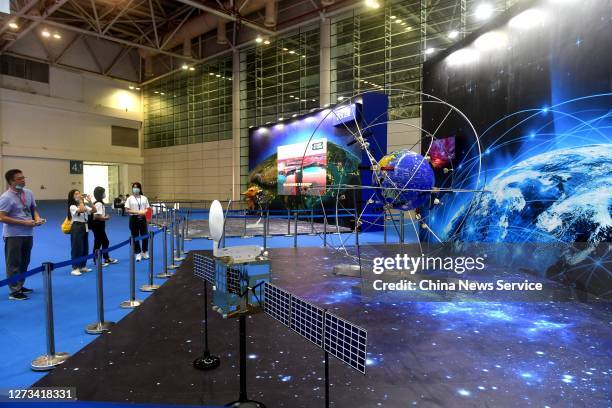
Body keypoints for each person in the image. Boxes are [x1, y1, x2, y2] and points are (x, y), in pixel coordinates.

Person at [0, 169, 45, 300]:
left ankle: (19, 284)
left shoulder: (29, 193)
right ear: (11, 182)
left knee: (25, 261)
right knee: (13, 262)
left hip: (28, 233)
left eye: (23, 177)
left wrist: (37, 218)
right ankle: (14, 291)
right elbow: (2, 217)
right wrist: (23, 223)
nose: (23, 180)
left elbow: (33, 209)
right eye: (19, 179)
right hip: (13, 235)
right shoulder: (6, 197)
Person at [68, 189, 96, 276]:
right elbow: (81, 210)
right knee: (77, 247)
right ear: (72, 196)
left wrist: (90, 201)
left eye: (79, 193)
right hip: (77, 226)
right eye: (76, 194)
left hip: (85, 226)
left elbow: (94, 210)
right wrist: (81, 200)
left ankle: (82, 265)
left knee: (84, 247)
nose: (79, 195)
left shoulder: (82, 204)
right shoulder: (72, 206)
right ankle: (75, 267)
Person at [91, 187, 118, 267]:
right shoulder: (98, 203)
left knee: (104, 241)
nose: (104, 194)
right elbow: (96, 216)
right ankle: (97, 260)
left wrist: (103, 217)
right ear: (100, 194)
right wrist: (105, 218)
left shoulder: (99, 203)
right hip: (97, 225)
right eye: (103, 192)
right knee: (98, 243)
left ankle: (106, 258)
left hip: (100, 225)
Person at [125, 182, 150, 262]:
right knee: (135, 236)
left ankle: (145, 251)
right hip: (133, 218)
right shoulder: (129, 198)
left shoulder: (144, 198)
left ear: (140, 189)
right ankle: (138, 253)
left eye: (137, 187)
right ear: (132, 189)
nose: (135, 189)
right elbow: (127, 210)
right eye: (134, 187)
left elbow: (148, 208)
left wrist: (144, 212)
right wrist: (137, 212)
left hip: (143, 218)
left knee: (145, 235)